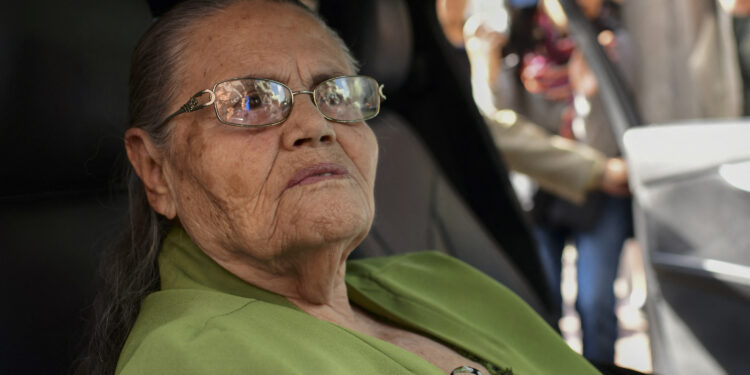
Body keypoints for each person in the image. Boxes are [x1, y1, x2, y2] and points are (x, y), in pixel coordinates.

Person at [75, 1, 601, 374]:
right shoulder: (193, 359)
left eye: (336, 94)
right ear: (155, 170)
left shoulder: (439, 277)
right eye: (251, 101)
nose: (316, 125)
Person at [438, 0, 632, 365]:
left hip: (599, 192)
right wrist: (486, 67)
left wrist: (588, 93)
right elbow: (498, 126)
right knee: (540, 304)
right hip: (538, 189)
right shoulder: (515, 39)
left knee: (596, 304)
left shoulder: (612, 41)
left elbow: (605, 142)